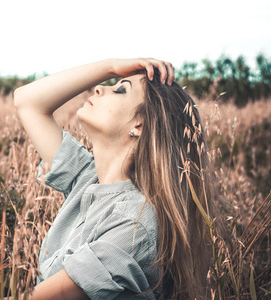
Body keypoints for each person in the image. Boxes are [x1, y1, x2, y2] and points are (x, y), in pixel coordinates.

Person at [13, 58, 216, 299]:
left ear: (139, 125)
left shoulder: (135, 223)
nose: (99, 88)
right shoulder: (87, 179)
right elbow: (27, 102)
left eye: (120, 90)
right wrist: (110, 67)